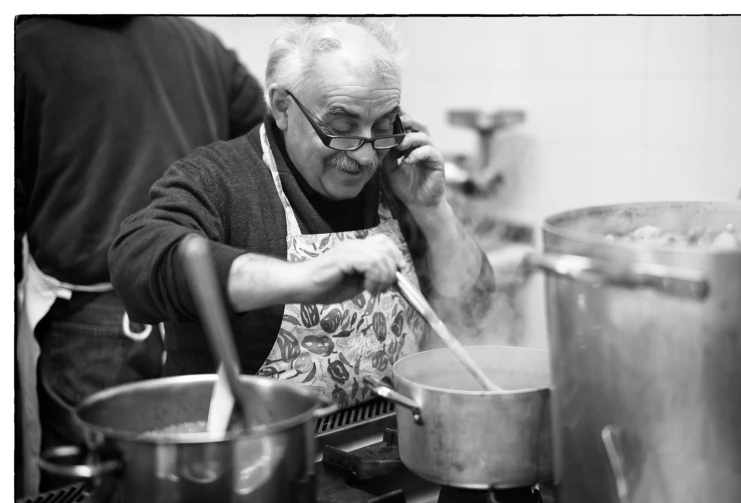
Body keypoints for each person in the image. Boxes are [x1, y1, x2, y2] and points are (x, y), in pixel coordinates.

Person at [109, 17, 495, 410]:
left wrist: (433, 210)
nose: (364, 155)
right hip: (258, 456)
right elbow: (136, 259)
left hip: (392, 443)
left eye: (382, 126)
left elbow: (476, 311)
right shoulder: (220, 179)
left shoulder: (398, 176)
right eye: (341, 126)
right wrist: (302, 279)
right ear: (282, 107)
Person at [15, 15, 266, 495]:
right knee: (194, 486)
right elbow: (267, 146)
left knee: (98, 492)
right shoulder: (198, 41)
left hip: (99, 324)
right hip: (197, 311)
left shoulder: (24, 47)